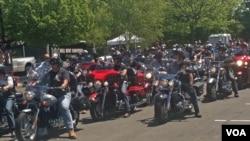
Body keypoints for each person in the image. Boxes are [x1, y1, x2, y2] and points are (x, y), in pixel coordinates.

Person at [38, 56, 77, 139]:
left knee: (63, 106)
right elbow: (41, 81)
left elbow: (66, 81)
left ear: (59, 64)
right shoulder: (49, 73)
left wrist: (63, 85)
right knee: (41, 105)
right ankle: (42, 127)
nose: (52, 65)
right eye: (51, 64)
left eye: (54, 64)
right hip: (51, 94)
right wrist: (34, 83)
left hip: (63, 94)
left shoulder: (64, 71)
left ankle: (70, 129)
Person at [167, 49, 202, 118]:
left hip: (184, 81)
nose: (175, 56)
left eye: (176, 54)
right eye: (174, 54)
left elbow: (190, 74)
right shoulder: (173, 64)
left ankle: (197, 111)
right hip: (173, 81)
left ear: (180, 55)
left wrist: (190, 83)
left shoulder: (185, 62)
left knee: (192, 92)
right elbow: (167, 70)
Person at [0, 65, 16, 137]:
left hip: (9, 97)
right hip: (1, 97)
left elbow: (10, 85)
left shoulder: (8, 77)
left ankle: (13, 129)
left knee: (8, 109)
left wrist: (5, 87)